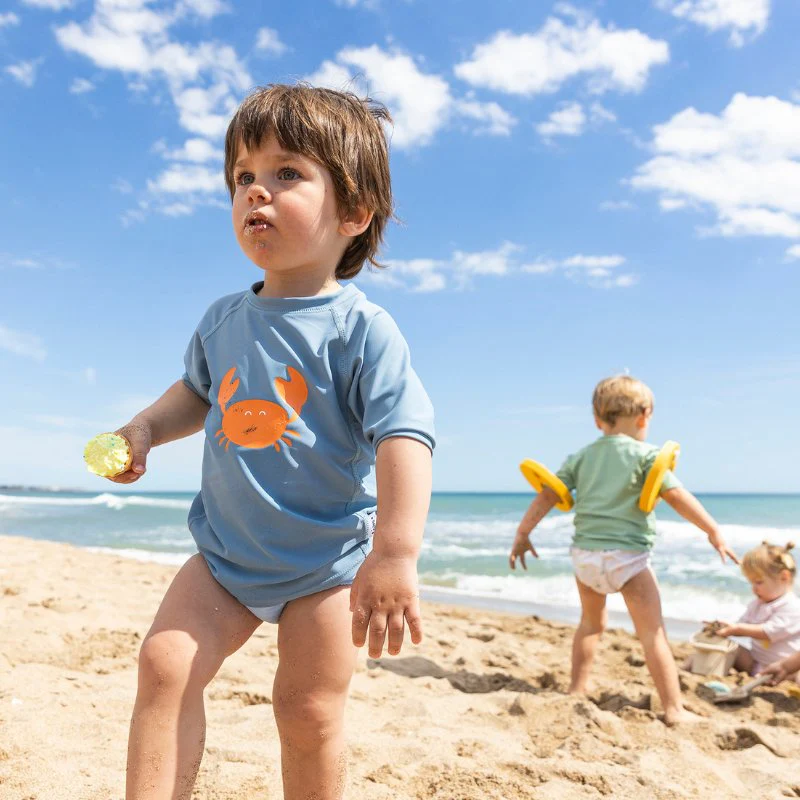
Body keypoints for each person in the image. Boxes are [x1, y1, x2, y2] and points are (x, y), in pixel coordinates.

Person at [107, 84, 435, 800]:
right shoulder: (223, 320)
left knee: (307, 709)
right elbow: (196, 394)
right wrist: (145, 429)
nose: (256, 192)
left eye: (287, 174)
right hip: (225, 554)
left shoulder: (360, 330)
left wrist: (396, 552)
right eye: (242, 178)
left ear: (353, 212)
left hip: (325, 566)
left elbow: (404, 435)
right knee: (164, 667)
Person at [509, 375, 737, 725]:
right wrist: (713, 530)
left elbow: (548, 494)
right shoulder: (647, 456)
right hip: (628, 560)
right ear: (645, 416)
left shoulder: (580, 457)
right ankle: (674, 709)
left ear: (598, 419)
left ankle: (577, 689)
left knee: (589, 625)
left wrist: (523, 533)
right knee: (652, 634)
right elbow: (676, 497)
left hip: (585, 557)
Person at [716, 542, 799, 677]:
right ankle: (692, 670)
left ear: (784, 577)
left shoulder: (793, 607)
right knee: (727, 647)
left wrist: (737, 629)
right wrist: (726, 627)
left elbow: (769, 632)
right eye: (751, 582)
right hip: (756, 665)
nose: (754, 588)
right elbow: (743, 623)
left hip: (787, 671)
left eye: (759, 582)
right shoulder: (757, 604)